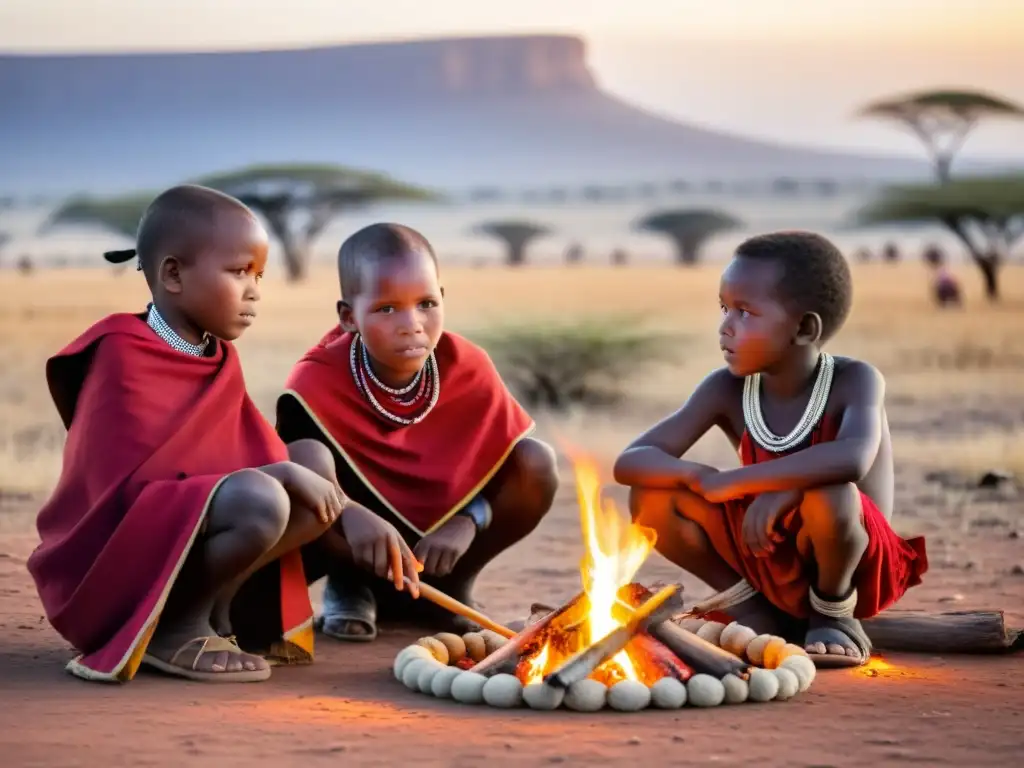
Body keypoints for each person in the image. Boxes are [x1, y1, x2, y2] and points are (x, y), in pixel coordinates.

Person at [26, 185, 415, 683]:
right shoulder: (121, 355)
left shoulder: (215, 353)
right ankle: (174, 631)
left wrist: (353, 511)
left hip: (183, 539)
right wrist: (279, 473)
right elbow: (129, 497)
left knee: (310, 460)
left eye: (259, 275)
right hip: (110, 574)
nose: (255, 290)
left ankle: (213, 613)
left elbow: (254, 450)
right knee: (264, 495)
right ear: (172, 274)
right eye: (239, 272)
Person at [614, 231, 928, 668]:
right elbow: (632, 460)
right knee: (653, 495)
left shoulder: (855, 380)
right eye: (724, 308)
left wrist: (762, 486)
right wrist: (700, 478)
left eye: (744, 312)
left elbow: (851, 460)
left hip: (855, 558)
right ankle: (752, 610)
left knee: (829, 492)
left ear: (804, 328)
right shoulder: (727, 388)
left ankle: (832, 616)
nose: (725, 327)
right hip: (768, 553)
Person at [276, 222, 559, 641]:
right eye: (386, 309)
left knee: (535, 462)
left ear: (443, 298)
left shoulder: (467, 366)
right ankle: (353, 584)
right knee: (309, 477)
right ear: (348, 316)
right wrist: (350, 513)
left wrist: (467, 519)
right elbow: (300, 472)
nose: (412, 324)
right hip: (352, 538)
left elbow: (500, 466)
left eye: (426, 303)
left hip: (443, 540)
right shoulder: (317, 378)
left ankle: (449, 588)